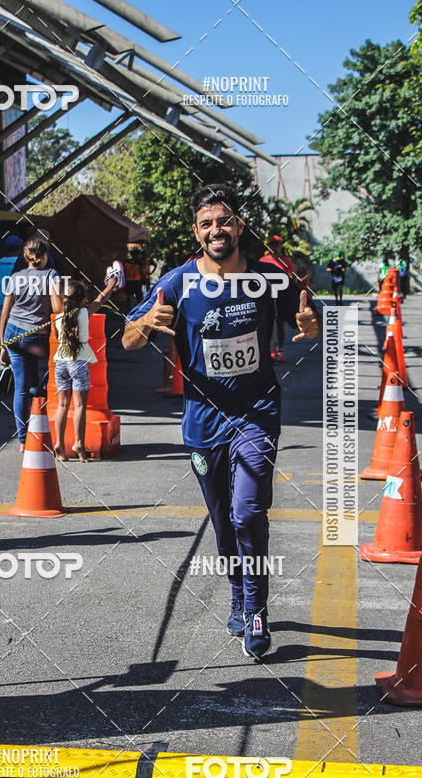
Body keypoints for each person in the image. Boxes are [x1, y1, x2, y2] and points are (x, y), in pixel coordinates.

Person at [122, 183, 321, 659]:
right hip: (202, 422)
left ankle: (256, 610)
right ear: (197, 231)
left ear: (239, 226)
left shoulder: (270, 276)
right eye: (207, 223)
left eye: (225, 220)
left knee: (248, 511)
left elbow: (309, 316)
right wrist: (148, 323)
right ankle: (237, 591)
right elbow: (127, 339)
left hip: (256, 413)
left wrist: (312, 325)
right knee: (222, 519)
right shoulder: (177, 282)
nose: (217, 230)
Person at [0, 236, 63, 451]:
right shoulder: (51, 275)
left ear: (24, 257)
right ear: (45, 255)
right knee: (49, 375)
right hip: (35, 336)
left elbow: (5, 312)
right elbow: (58, 308)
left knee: (21, 388)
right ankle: (47, 426)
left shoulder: (15, 276)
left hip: (13, 334)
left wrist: (2, 345)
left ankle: (23, 440)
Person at [53, 274, 119, 462]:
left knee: (62, 405)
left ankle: (58, 443)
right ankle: (79, 444)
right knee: (80, 405)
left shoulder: (58, 318)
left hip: (60, 362)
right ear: (83, 300)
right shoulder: (85, 313)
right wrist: (111, 286)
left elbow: (58, 337)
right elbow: (101, 299)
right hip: (78, 362)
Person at [259, 235, 296, 362]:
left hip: (282, 296)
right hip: (267, 297)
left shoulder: (286, 261)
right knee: (269, 324)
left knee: (281, 324)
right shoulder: (263, 260)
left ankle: (280, 349)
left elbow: (292, 278)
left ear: (281, 246)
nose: (274, 246)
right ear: (268, 246)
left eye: (277, 244)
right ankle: (270, 352)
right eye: (272, 244)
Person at [0, 234, 21, 374]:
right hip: (15, 305)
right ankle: (13, 364)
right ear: (19, 248)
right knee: (17, 335)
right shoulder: (21, 264)